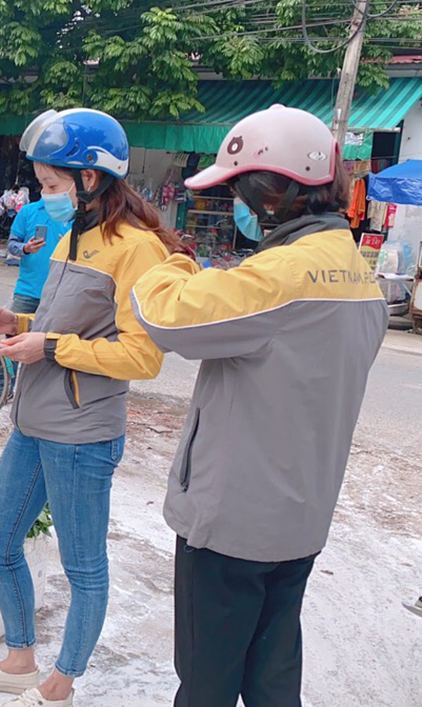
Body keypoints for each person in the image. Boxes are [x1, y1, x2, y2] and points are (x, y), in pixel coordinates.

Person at [130, 106, 389, 707]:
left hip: (232, 527)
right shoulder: (357, 274)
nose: (240, 206)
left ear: (274, 197)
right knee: (273, 682)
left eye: (240, 192)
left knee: (207, 685)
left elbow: (164, 315)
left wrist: (167, 261)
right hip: (300, 521)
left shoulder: (279, 277)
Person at [0, 108, 179, 707]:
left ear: (91, 178)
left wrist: (47, 345)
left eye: (51, 185)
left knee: (84, 568)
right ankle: (21, 659)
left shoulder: (139, 251)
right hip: (35, 421)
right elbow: (61, 323)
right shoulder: (73, 236)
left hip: (83, 435)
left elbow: (143, 356)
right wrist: (17, 322)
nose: (43, 196)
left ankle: (60, 684)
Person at [0, 197, 72, 406]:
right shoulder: (28, 211)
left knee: (51, 345)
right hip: (27, 290)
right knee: (11, 341)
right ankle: (4, 389)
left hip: (61, 291)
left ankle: (42, 396)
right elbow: (12, 245)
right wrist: (25, 248)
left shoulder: (76, 214)